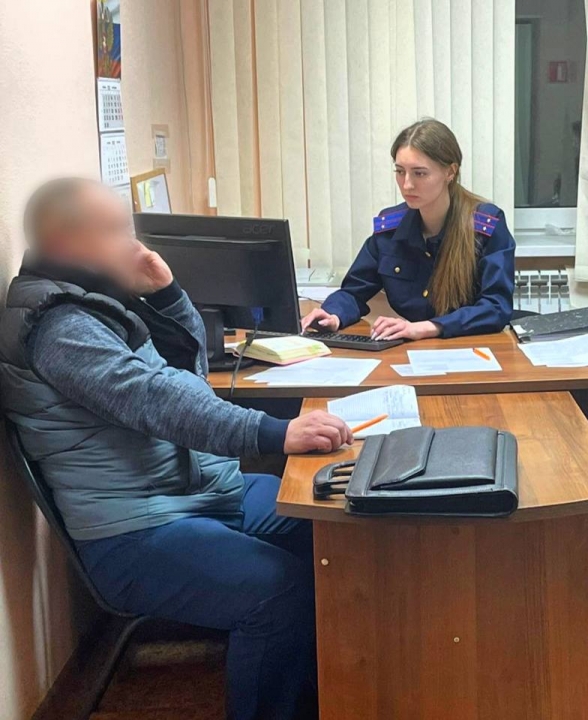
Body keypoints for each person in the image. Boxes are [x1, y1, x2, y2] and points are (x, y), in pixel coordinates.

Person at [0, 178, 355, 720]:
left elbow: (187, 374)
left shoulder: (94, 299)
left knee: (331, 525)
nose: (133, 243)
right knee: (278, 594)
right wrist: (272, 433)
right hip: (135, 529)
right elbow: (155, 400)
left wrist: (167, 294)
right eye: (116, 230)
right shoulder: (60, 325)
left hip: (192, 491)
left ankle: (338, 690)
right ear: (65, 243)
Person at [300, 118, 516, 341]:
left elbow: (496, 307)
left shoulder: (485, 226)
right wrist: (333, 314)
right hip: (410, 351)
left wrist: (428, 328)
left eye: (419, 173)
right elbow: (354, 291)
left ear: (450, 172)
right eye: (400, 171)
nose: (407, 185)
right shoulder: (390, 229)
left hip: (471, 349)